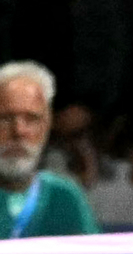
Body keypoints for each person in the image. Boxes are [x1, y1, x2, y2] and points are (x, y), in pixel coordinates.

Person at [0, 61, 97, 239]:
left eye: (31, 119)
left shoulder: (64, 196)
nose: (19, 131)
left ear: (47, 125)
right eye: (5, 119)